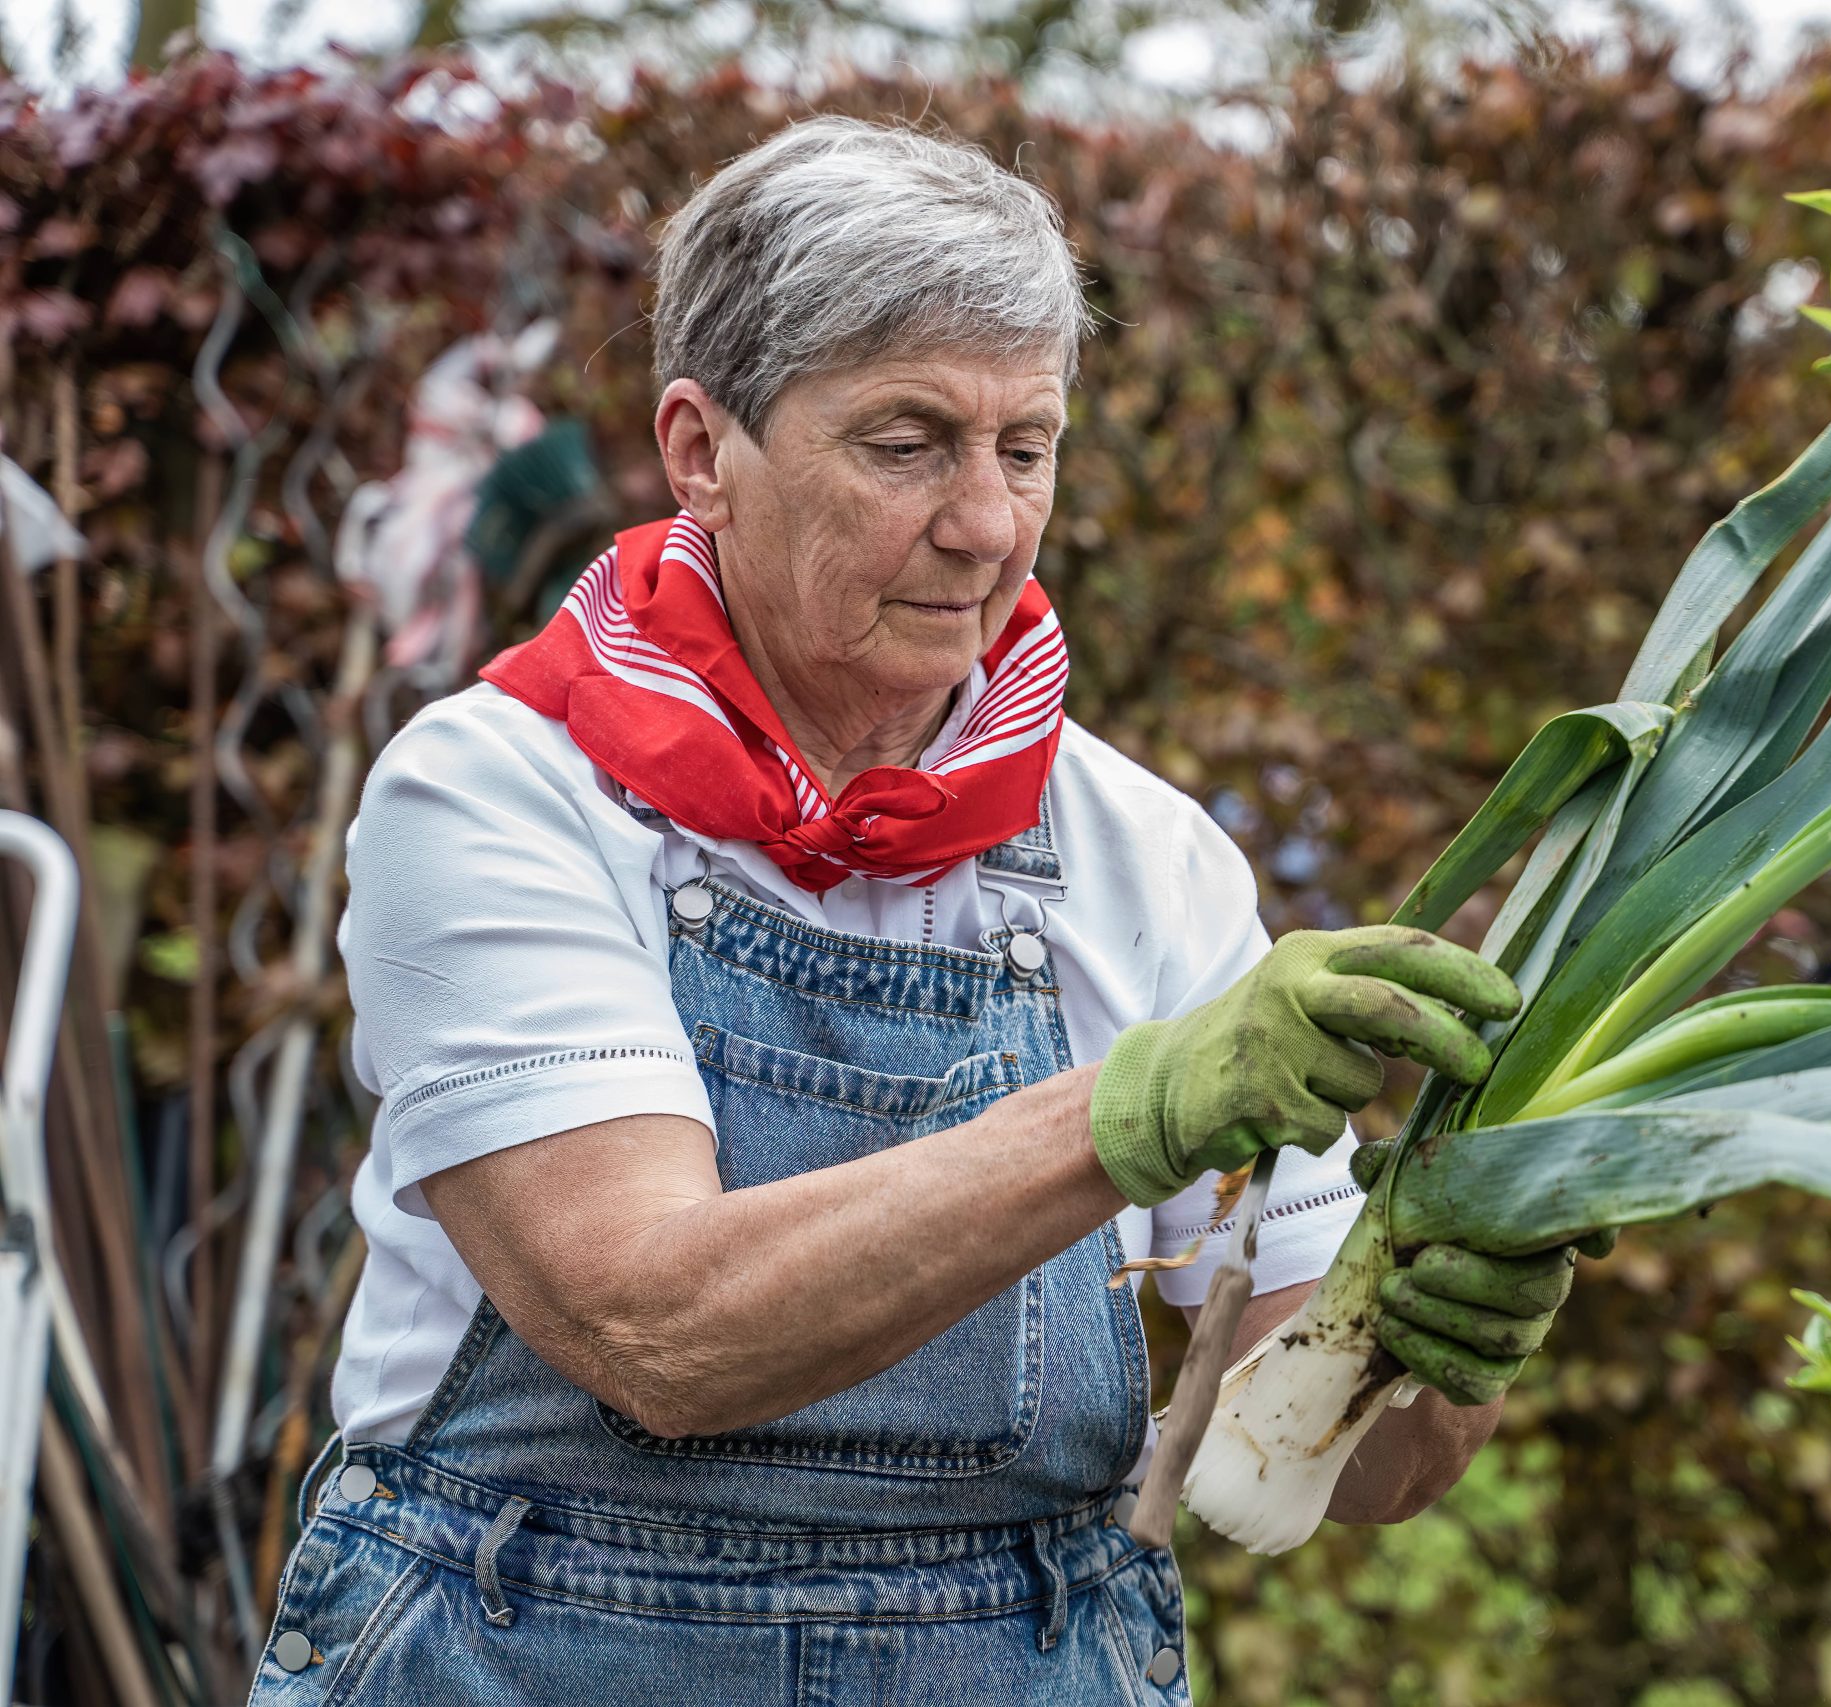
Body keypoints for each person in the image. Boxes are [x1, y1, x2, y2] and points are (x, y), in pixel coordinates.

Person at [250, 116, 1584, 1705]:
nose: (987, 526)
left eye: (1026, 448)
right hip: (523, 1648)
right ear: (700, 451)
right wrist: (1134, 1111)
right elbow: (654, 1332)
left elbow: (1335, 1465)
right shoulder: (502, 795)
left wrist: (1441, 1323)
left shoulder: (1136, 851)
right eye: (907, 444)